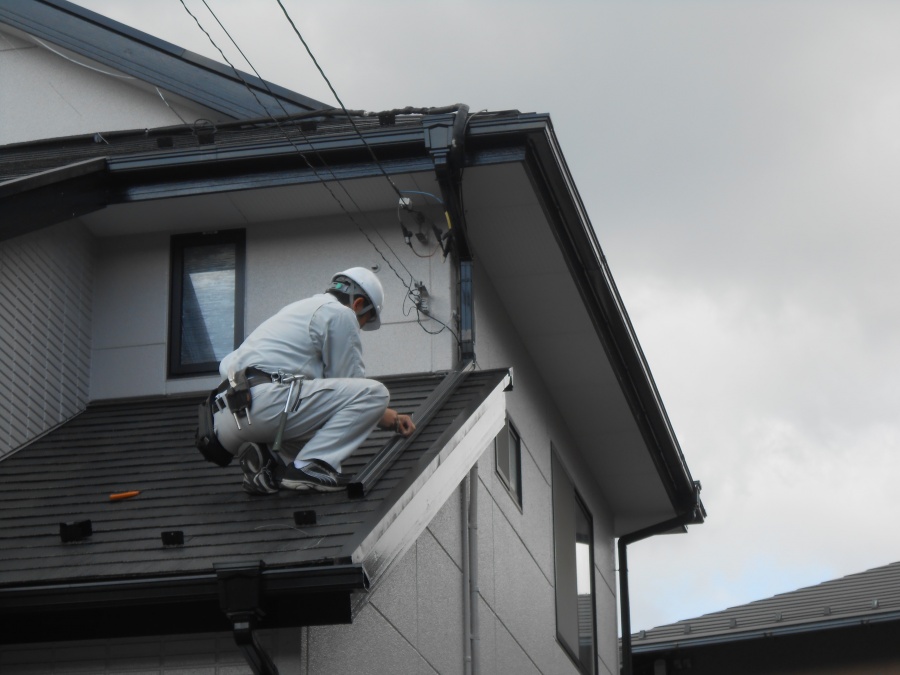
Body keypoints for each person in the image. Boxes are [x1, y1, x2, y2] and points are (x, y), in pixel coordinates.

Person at [212, 267, 415, 494]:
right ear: (358, 304)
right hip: (265, 404)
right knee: (375, 393)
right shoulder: (340, 313)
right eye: (362, 322)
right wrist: (390, 417)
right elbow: (352, 385)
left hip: (226, 416)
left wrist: (389, 418)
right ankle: (311, 465)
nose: (358, 328)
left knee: (317, 426)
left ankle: (268, 464)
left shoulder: (298, 310)